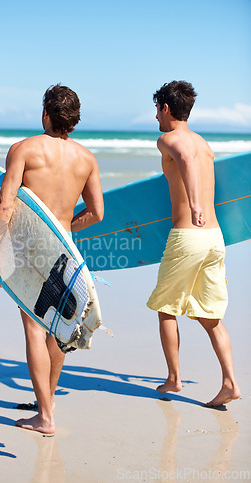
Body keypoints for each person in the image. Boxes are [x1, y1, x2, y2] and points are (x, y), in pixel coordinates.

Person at [0, 84, 104, 434]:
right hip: (66, 249)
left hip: (30, 249)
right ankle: (45, 401)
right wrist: (67, 229)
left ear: (45, 114)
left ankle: (46, 417)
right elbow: (97, 212)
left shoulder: (24, 149)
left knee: (35, 329)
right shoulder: (87, 159)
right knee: (58, 328)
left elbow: (5, 202)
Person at [147, 80, 240, 408]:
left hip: (187, 237)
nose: (155, 116)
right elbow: (191, 159)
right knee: (210, 315)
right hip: (215, 239)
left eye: (156, 109)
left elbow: (183, 157)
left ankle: (173, 378)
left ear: (166, 108)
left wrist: (194, 203)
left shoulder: (169, 139)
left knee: (165, 308)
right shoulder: (204, 144)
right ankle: (229, 382)